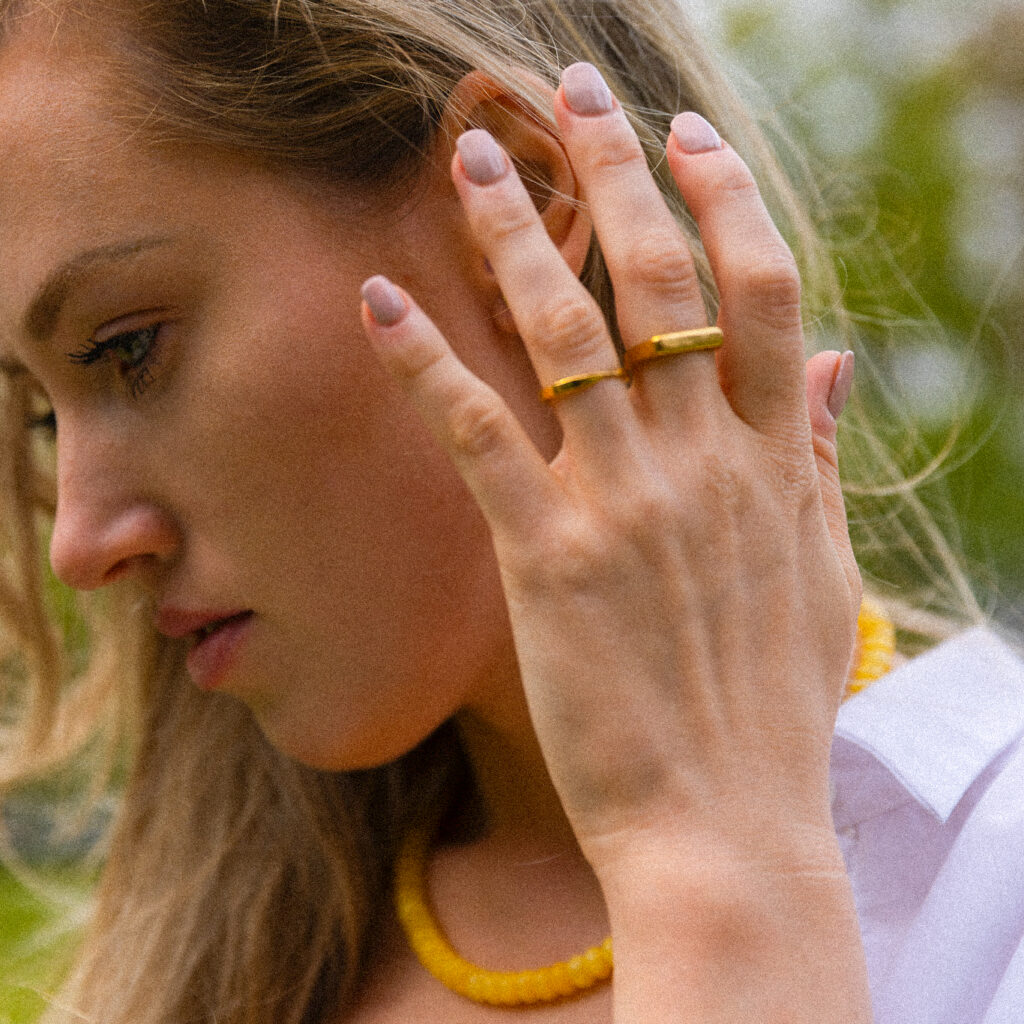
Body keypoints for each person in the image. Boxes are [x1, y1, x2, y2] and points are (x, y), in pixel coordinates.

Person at [0, 1, 1020, 1023]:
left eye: (127, 346)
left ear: (515, 194)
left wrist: (711, 866)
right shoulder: (210, 969)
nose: (76, 545)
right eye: (44, 414)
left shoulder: (993, 890)